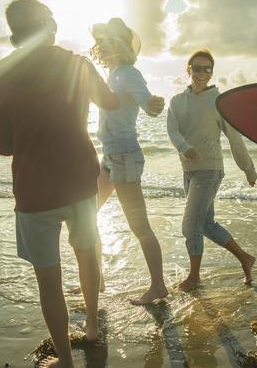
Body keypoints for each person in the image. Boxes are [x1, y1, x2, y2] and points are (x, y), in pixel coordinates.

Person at [0, 0, 119, 368]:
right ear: (51, 27)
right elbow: (110, 103)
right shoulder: (77, 64)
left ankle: (65, 359)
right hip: (80, 181)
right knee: (88, 255)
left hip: (33, 191)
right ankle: (92, 327)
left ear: (14, 37)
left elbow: (2, 146)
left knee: (49, 282)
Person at [88, 17, 169, 305]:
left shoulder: (129, 74)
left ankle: (158, 286)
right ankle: (96, 280)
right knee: (87, 216)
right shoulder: (111, 75)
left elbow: (148, 104)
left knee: (139, 225)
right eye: (102, 43)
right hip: (109, 155)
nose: (105, 48)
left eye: (111, 42)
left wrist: (154, 105)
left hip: (125, 155)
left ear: (122, 46)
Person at [167, 49, 257, 291]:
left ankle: (194, 277)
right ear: (189, 70)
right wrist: (185, 148)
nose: (202, 73)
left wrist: (248, 169)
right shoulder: (177, 101)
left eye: (207, 69)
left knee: (190, 226)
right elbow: (172, 130)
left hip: (210, 170)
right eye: (197, 68)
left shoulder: (219, 101)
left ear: (212, 72)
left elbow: (234, 138)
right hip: (189, 171)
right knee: (206, 225)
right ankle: (246, 259)